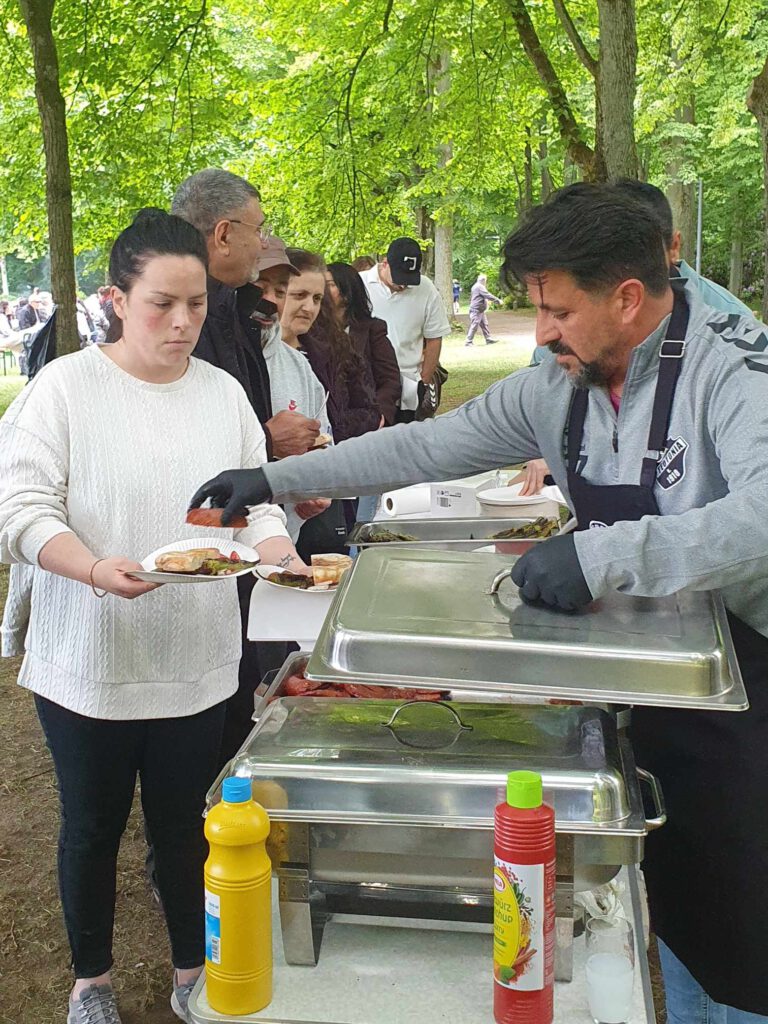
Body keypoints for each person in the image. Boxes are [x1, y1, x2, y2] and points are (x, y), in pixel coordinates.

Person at [191, 183, 768, 1022]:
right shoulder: (559, 385)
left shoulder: (731, 365)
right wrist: (273, 478)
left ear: (627, 297)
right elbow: (425, 447)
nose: (543, 333)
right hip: (650, 691)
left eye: (558, 311)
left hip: (750, 691)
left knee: (747, 929)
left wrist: (601, 555)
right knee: (680, 908)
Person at [0, 209, 307, 1024]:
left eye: (196, 304)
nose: (181, 323)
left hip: (196, 658)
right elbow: (19, 510)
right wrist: (94, 568)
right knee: (92, 827)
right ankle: (91, 981)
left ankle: (189, 969)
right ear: (115, 300)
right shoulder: (65, 388)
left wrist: (278, 550)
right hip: (89, 659)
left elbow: (254, 504)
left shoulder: (223, 393)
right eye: (161, 304)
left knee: (184, 826)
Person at [171, 168, 320, 766]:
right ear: (224, 233)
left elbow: (241, 433)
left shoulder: (236, 311)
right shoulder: (196, 323)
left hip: (246, 529)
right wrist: (267, 442)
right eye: (258, 229)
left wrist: (281, 470)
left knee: (239, 692)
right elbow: (179, 438)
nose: (263, 243)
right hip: (195, 544)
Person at [519, 178, 754, 490]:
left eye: (562, 314)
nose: (544, 334)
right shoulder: (567, 342)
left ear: (673, 246)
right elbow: (545, 394)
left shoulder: (730, 334)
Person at [252, 237, 332, 540]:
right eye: (260, 287)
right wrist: (269, 441)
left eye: (281, 291)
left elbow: (322, 442)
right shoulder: (210, 361)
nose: (271, 301)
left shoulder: (300, 366)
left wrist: (315, 488)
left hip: (282, 541)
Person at [326, 260, 401, 523]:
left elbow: (390, 378)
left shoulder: (371, 329)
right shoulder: (313, 333)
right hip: (332, 429)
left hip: (366, 427)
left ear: (347, 293)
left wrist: (379, 415)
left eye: (329, 285)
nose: (322, 291)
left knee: (364, 504)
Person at [360, 237, 450, 422]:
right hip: (368, 382)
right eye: (399, 277)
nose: (403, 285)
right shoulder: (360, 284)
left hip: (409, 384)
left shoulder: (426, 288)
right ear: (385, 263)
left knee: (409, 436)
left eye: (409, 280)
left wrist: (424, 380)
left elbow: (434, 337)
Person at [465, 273, 501, 346]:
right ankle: (468, 341)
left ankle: (488, 339)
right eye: (485, 281)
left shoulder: (476, 286)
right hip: (476, 310)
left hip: (480, 310)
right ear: (483, 280)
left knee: (484, 324)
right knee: (475, 325)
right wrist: (497, 300)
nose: (485, 283)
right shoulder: (479, 286)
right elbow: (487, 295)